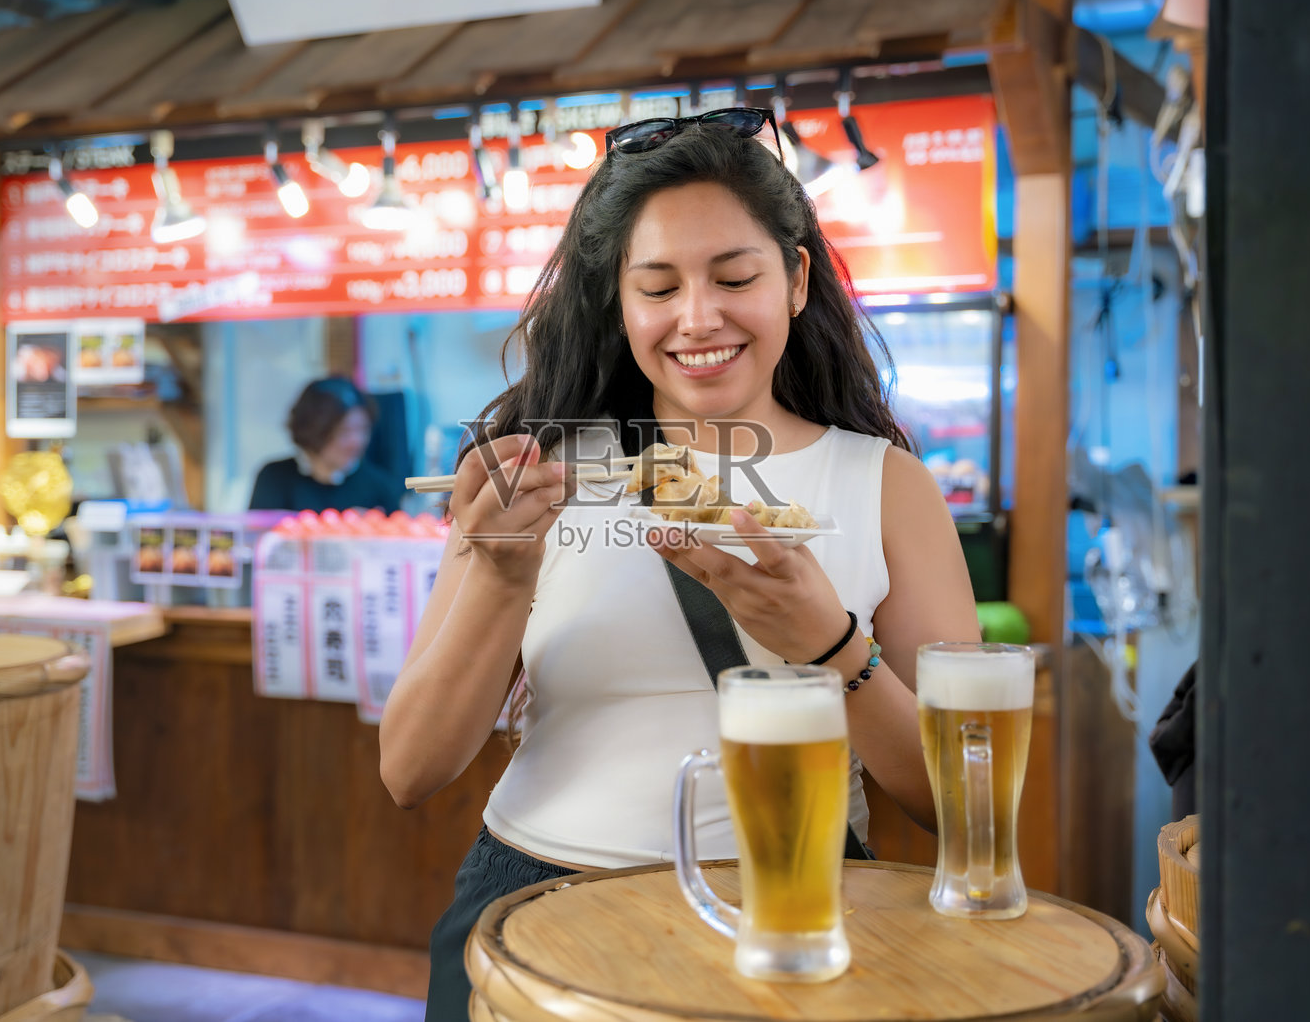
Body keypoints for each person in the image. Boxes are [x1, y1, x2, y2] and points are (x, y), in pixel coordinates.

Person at [378, 111, 980, 1019]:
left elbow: (964, 804)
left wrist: (829, 645)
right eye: (656, 287)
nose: (699, 318)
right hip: (536, 903)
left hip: (790, 919)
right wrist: (501, 579)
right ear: (619, 306)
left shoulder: (887, 486)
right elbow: (410, 768)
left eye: (735, 276)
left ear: (797, 279)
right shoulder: (536, 472)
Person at [247, 376, 401, 512]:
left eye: (363, 429)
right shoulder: (274, 478)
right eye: (344, 431)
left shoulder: (380, 488)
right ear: (312, 432)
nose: (357, 441)